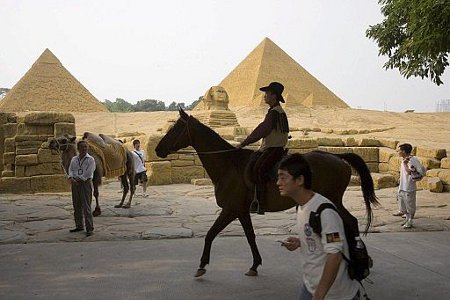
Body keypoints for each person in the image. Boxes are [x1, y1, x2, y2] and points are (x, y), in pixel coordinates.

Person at [276, 153, 360, 300]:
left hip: (334, 294)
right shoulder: (302, 207)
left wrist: (320, 295)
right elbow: (318, 239)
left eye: (283, 177)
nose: (278, 182)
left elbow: (335, 254)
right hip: (310, 286)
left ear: (300, 180)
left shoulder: (325, 212)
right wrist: (300, 242)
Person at [237, 82, 289, 214]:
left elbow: (262, 130)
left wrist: (244, 143)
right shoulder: (274, 111)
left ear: (274, 95)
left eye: (267, 93)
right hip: (270, 148)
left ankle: (260, 202)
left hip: (274, 149)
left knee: (259, 170)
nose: (264, 96)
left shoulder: (275, 113)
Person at [68, 140, 96, 237]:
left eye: (85, 147)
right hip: (75, 183)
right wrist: (71, 178)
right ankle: (79, 225)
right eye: (82, 147)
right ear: (78, 148)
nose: (84, 149)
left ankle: (89, 228)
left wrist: (80, 179)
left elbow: (89, 172)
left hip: (85, 183)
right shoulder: (74, 159)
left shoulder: (91, 160)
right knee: (76, 205)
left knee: (86, 206)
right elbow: (70, 169)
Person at [393, 143, 424, 229]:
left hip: (409, 187)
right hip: (402, 186)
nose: (398, 152)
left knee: (410, 206)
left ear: (403, 151)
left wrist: (405, 164)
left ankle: (410, 221)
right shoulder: (404, 159)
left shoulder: (411, 160)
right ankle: (407, 219)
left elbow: (410, 172)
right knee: (403, 206)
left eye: (399, 150)